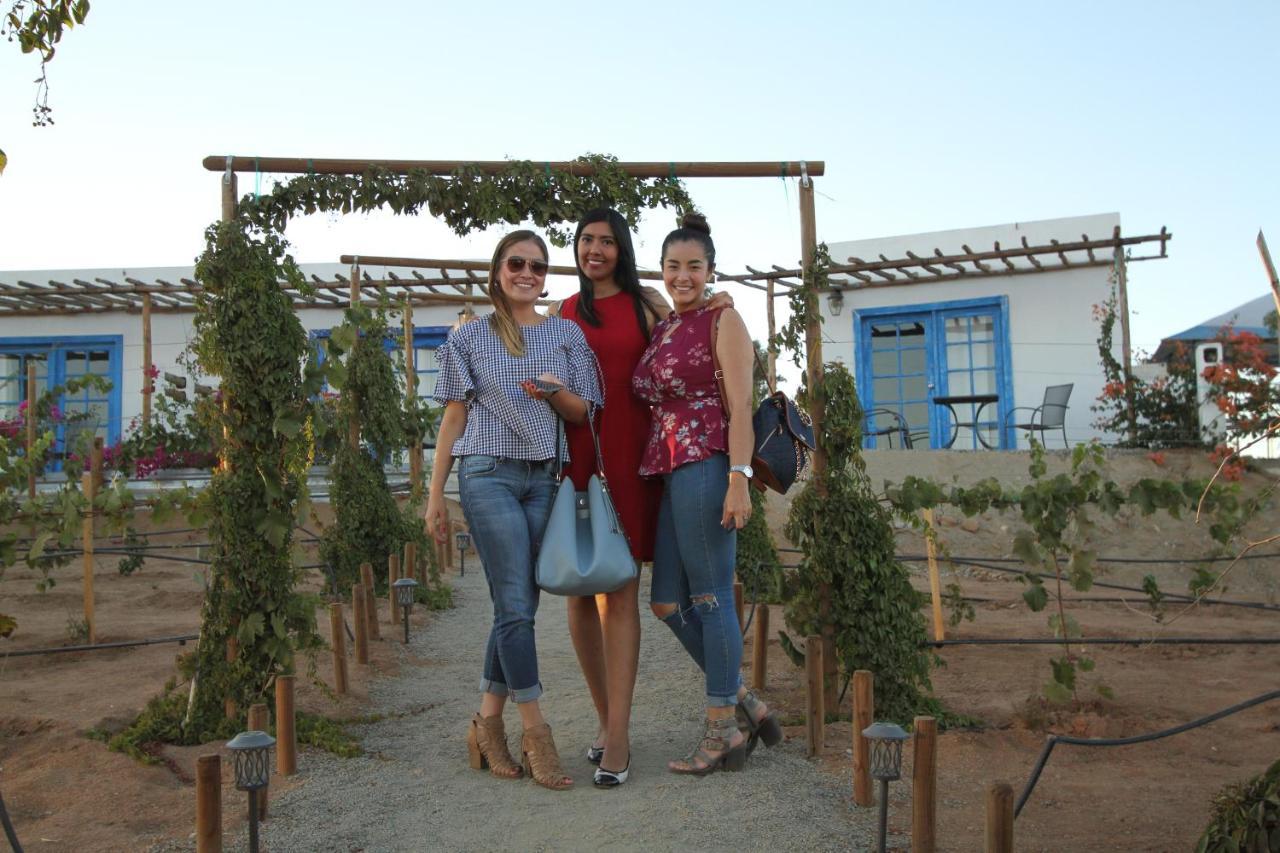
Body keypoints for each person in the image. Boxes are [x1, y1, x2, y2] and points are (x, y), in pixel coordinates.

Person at [556, 208, 733, 788]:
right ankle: (606, 721)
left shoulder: (646, 303)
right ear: (577, 248)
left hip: (633, 460)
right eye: (587, 240)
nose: (596, 250)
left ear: (623, 251)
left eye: (608, 241)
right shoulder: (561, 312)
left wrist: (720, 302)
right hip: (576, 458)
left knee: (624, 593)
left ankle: (623, 735)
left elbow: (694, 319)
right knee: (579, 597)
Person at [425, 229, 603, 791]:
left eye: (538, 265)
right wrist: (435, 495)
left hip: (543, 478)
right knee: (516, 607)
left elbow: (582, 413)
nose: (528, 273)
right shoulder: (470, 337)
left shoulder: (566, 334)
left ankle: (487, 724)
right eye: (516, 263)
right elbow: (453, 419)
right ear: (498, 271)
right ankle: (537, 732)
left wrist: (552, 392)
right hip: (486, 474)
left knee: (517, 604)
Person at [632, 212, 782, 775]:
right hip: (670, 470)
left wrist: (738, 479)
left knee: (712, 597)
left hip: (708, 464)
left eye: (694, 266)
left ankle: (723, 729)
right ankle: (743, 699)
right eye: (673, 266)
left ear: (712, 270)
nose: (683, 276)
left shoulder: (726, 323)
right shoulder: (669, 324)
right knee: (666, 601)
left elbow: (741, 406)